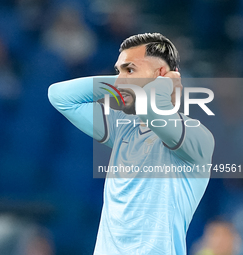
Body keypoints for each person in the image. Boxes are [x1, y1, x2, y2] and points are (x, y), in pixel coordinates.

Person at [48, 33, 214, 255]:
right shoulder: (122, 126)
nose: (119, 78)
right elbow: (60, 96)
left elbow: (151, 109)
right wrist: (123, 83)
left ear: (162, 75)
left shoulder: (199, 137)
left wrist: (160, 87)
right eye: (119, 71)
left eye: (130, 69)